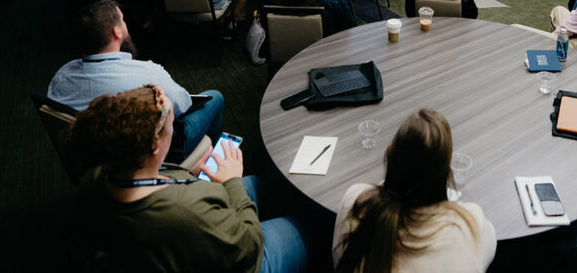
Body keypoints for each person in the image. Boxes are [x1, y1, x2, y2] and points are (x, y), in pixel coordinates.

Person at [69, 85, 312, 273]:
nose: (173, 130)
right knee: (304, 227)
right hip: (238, 256)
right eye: (171, 126)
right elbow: (248, 248)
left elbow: (156, 176)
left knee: (257, 184)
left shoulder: (101, 175)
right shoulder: (186, 212)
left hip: (164, 242)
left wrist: (185, 173)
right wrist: (232, 182)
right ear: (154, 145)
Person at [49, 0, 223, 160]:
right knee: (215, 97)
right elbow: (183, 105)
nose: (125, 25)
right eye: (122, 21)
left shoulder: (62, 76)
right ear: (116, 32)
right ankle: (206, 164)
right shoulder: (148, 73)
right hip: (145, 157)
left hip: (90, 160)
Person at [333, 109, 496, 272]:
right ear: (446, 173)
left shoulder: (356, 200)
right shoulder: (470, 223)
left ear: (390, 153)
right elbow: (490, 245)